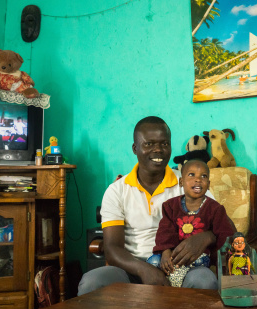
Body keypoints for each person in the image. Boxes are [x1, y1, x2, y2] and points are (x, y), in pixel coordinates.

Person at [77, 116, 223, 295]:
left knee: (204, 281)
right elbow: (112, 248)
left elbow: (222, 228)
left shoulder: (190, 183)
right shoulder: (117, 191)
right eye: (149, 144)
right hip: (133, 269)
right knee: (92, 282)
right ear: (135, 148)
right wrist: (144, 270)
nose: (158, 150)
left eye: (164, 144)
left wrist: (207, 237)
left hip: (183, 268)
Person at [146, 159, 234, 287]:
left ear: (208, 184)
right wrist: (165, 251)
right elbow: (165, 231)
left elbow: (224, 236)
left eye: (203, 176)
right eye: (191, 175)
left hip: (198, 258)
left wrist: (220, 263)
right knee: (153, 261)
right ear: (181, 182)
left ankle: (177, 277)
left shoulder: (215, 209)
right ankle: (173, 277)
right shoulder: (170, 206)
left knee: (199, 263)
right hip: (174, 255)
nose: (198, 179)